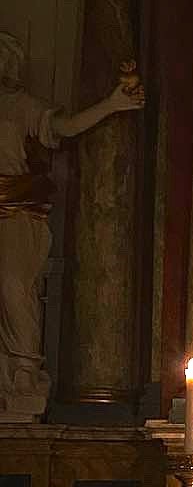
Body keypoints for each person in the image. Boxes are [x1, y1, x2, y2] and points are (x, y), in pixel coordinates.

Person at [0, 32, 143, 417]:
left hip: (15, 211)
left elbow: (64, 127)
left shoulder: (20, 106)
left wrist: (111, 104)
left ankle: (24, 368)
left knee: (14, 287)